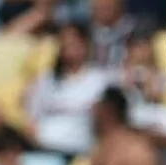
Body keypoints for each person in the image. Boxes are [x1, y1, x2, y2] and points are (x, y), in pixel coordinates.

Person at [25, 23, 112, 157]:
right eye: (65, 43)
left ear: (85, 44)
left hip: (81, 149)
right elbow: (32, 118)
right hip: (44, 149)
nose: (70, 47)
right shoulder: (46, 80)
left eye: (74, 42)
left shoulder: (100, 80)